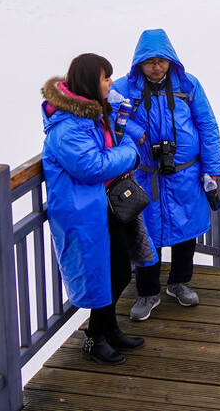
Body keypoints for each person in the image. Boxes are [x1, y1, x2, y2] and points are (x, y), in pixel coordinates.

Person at [42, 53, 147, 364]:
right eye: (105, 78)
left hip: (102, 206)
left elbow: (107, 145)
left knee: (117, 270)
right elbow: (91, 166)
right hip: (82, 212)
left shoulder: (90, 115)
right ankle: (94, 337)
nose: (110, 83)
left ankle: (109, 329)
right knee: (108, 274)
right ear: (90, 82)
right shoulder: (68, 127)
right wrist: (130, 152)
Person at [115, 30, 220, 322]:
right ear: (139, 63)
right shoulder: (124, 87)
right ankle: (147, 292)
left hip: (185, 174)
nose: (156, 67)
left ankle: (179, 283)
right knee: (145, 234)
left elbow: (207, 126)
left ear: (171, 60)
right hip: (144, 176)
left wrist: (211, 168)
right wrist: (137, 133)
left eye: (161, 61)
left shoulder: (188, 85)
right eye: (149, 62)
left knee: (185, 232)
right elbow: (110, 121)